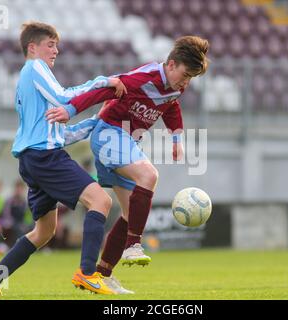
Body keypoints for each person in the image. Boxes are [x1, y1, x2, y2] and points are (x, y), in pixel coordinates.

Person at [46, 36, 210, 294]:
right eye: (185, 74)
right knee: (149, 175)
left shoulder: (177, 86)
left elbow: (170, 106)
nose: (186, 81)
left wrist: (176, 138)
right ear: (171, 64)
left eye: (191, 78)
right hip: (110, 133)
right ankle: (134, 245)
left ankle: (101, 275)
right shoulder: (144, 77)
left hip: (126, 140)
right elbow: (105, 89)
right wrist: (69, 110)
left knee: (128, 213)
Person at [0, 21, 128, 296]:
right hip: (45, 158)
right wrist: (104, 81)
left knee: (43, 232)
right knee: (101, 200)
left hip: (33, 160)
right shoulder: (35, 68)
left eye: (56, 45)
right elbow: (63, 97)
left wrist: (95, 121)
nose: (56, 50)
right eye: (50, 44)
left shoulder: (30, 79)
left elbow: (61, 135)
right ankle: (88, 274)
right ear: (32, 48)